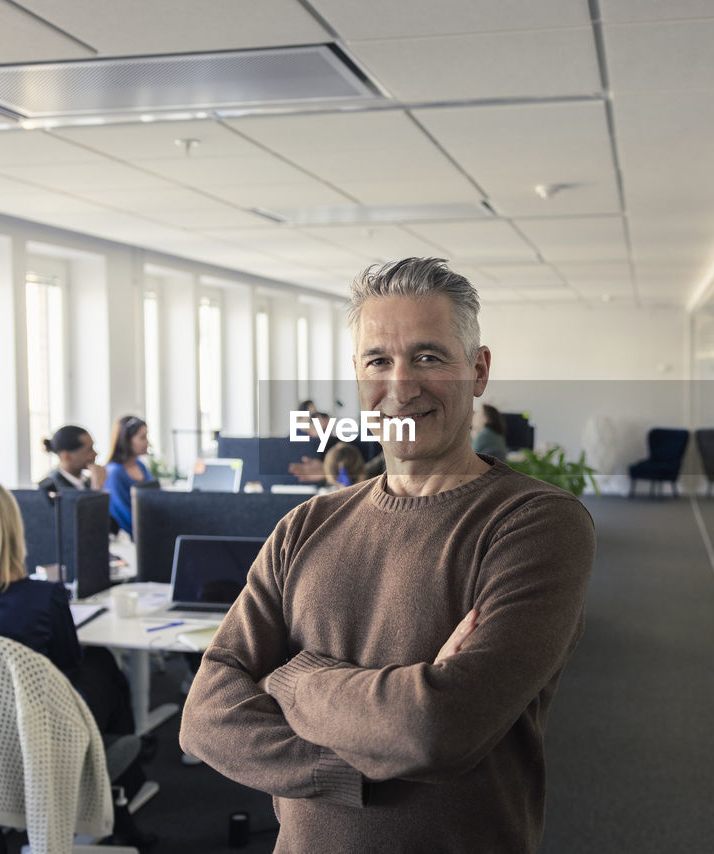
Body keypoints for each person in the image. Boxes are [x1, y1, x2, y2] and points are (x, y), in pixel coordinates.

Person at [180, 258, 596, 852]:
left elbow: (438, 728)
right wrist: (357, 759)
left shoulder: (535, 524)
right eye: (379, 360)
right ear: (357, 376)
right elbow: (206, 716)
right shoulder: (305, 526)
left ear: (477, 371)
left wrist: (290, 677)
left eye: (429, 357)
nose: (401, 387)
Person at [0, 476, 154, 845]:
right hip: (35, 740)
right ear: (12, 530)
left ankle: (124, 788)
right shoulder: (44, 596)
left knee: (100, 667)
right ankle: (122, 781)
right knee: (103, 667)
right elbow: (66, 667)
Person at [103, 416, 154, 538]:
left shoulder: (140, 465)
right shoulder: (114, 472)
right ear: (126, 440)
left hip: (150, 528)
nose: (148, 442)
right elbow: (123, 513)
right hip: (131, 537)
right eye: (142, 438)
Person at [39, 424, 107, 492]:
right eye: (89, 450)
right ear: (66, 456)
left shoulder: (87, 481)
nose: (95, 454)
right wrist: (96, 489)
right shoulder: (50, 489)